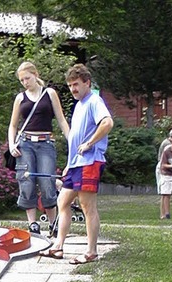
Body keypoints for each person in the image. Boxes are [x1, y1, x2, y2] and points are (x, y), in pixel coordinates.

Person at [39, 63, 114, 265]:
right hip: (76, 165)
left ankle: (91, 252)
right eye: (70, 85)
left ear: (87, 83)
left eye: (76, 84)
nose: (73, 89)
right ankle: (58, 247)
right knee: (62, 202)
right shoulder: (79, 105)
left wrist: (90, 143)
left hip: (90, 162)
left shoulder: (94, 101)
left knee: (87, 207)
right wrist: (69, 164)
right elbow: (75, 137)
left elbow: (107, 123)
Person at [8, 61, 70, 235]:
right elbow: (13, 125)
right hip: (25, 143)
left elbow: (61, 120)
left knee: (47, 181)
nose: (25, 82)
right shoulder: (20, 98)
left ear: (35, 75)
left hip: (46, 142)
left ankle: (53, 223)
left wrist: (71, 140)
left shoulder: (49, 94)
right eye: (22, 80)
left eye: (27, 78)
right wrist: (12, 144)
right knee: (26, 181)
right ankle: (32, 224)